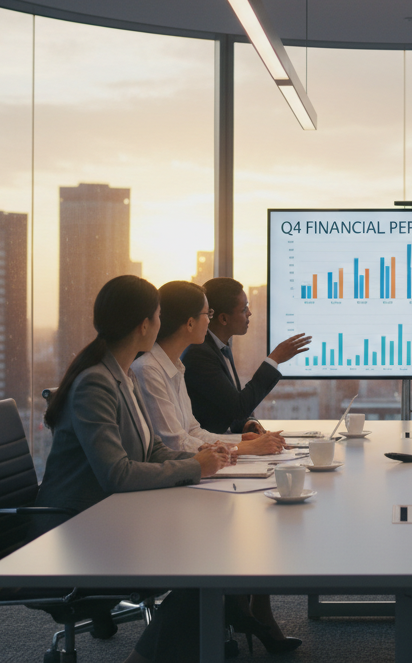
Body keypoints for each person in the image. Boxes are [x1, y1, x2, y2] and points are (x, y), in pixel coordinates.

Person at [34, 275, 235, 663]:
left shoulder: (122, 374)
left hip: (111, 516)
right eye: (159, 316)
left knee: (212, 556)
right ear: (145, 324)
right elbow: (118, 474)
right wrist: (194, 467)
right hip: (79, 527)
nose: (161, 324)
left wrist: (209, 462)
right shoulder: (97, 382)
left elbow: (153, 448)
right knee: (205, 571)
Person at [132, 280, 302, 654]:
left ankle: (235, 610)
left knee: (249, 517)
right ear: (190, 323)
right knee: (236, 530)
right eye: (207, 315)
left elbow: (192, 430)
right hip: (164, 488)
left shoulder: (173, 366)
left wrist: (242, 443)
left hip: (186, 472)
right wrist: (247, 450)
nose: (210, 322)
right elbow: (174, 445)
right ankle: (227, 612)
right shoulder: (148, 370)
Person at [183, 277, 311, 434]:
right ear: (223, 318)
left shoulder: (220, 347)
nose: (249, 313)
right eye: (244, 309)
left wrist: (248, 424)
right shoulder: (200, 354)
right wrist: (274, 359)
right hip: (208, 447)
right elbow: (238, 407)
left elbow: (226, 408)